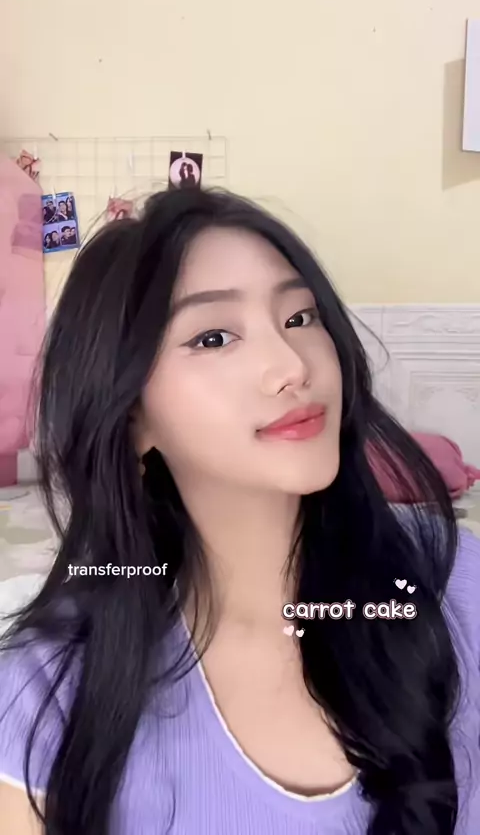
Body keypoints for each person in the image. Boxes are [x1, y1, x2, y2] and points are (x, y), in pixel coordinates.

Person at [0, 187, 479, 835]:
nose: (291, 366)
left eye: (300, 317)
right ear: (130, 412)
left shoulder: (456, 581)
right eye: (214, 336)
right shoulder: (48, 684)